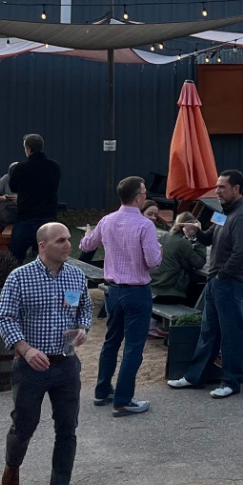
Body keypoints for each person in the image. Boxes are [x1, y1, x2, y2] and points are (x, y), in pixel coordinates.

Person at [0, 221, 91, 485]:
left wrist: (83, 327)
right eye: (60, 240)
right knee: (24, 426)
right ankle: (12, 465)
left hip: (66, 364)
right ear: (42, 246)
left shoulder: (76, 275)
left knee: (67, 430)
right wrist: (25, 349)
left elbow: (86, 308)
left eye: (68, 239)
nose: (68, 244)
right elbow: (5, 318)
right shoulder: (19, 277)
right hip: (30, 367)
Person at [170, 170, 243, 399]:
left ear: (236, 189)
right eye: (217, 186)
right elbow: (209, 237)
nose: (217, 191)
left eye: (222, 187)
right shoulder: (223, 212)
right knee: (208, 331)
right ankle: (195, 377)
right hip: (216, 281)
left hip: (229, 282)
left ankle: (231, 382)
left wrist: (222, 275)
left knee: (231, 333)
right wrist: (196, 232)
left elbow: (241, 254)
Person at [81, 175, 162, 417]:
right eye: (144, 193)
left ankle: (103, 390)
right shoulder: (145, 225)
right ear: (137, 198)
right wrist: (159, 249)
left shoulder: (107, 220)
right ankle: (124, 400)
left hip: (113, 290)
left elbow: (86, 246)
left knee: (111, 341)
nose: (145, 197)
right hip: (137, 290)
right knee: (133, 347)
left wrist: (88, 233)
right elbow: (153, 261)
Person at [8, 133, 61, 262]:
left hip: (26, 217)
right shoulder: (54, 167)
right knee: (49, 258)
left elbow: (13, 187)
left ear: (28, 149)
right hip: (48, 217)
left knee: (15, 258)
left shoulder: (20, 168)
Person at [151, 217, 207, 308]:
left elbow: (183, 263)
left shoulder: (164, 237)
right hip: (167, 293)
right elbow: (199, 263)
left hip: (152, 289)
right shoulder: (183, 242)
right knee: (197, 291)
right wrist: (199, 238)